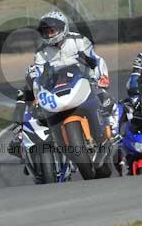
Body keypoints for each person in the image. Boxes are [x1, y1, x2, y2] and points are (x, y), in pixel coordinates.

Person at [32, 10, 118, 143]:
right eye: (45, 32)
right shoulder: (40, 53)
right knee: (42, 115)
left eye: (52, 31)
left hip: (85, 80)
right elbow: (38, 77)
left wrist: (102, 76)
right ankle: (58, 141)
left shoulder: (79, 40)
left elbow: (96, 60)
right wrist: (37, 97)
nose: (49, 35)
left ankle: (114, 131)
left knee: (108, 101)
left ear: (62, 28)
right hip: (58, 88)